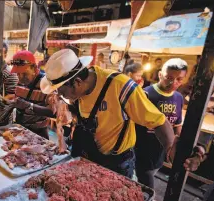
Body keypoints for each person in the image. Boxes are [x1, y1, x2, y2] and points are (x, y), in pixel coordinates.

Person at [40, 49, 176, 178]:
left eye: (61, 91)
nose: (60, 94)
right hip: (87, 156)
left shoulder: (119, 86)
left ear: (77, 82)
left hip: (117, 163)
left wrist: (171, 151)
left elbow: (158, 122)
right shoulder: (76, 93)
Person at [135, 58, 187, 188]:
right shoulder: (145, 94)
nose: (173, 82)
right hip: (142, 152)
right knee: (147, 187)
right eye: (169, 77)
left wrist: (178, 146)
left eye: (179, 79)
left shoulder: (179, 98)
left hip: (161, 153)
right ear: (160, 75)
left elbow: (177, 125)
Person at [9, 50, 54, 139]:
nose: (20, 77)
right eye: (18, 74)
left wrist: (29, 106)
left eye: (24, 74)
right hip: (20, 131)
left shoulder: (46, 83)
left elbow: (53, 112)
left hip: (38, 134)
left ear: (33, 67)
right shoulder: (20, 81)